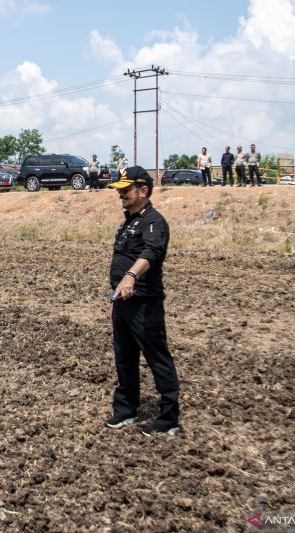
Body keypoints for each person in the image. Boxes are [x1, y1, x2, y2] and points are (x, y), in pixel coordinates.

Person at [104, 166, 181, 436]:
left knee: (157, 357)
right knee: (124, 356)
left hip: (144, 302)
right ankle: (126, 409)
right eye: (120, 190)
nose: (121, 195)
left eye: (126, 190)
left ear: (143, 191)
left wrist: (130, 276)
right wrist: (117, 291)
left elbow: (151, 252)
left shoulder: (154, 222)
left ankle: (169, 419)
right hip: (122, 301)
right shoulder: (128, 221)